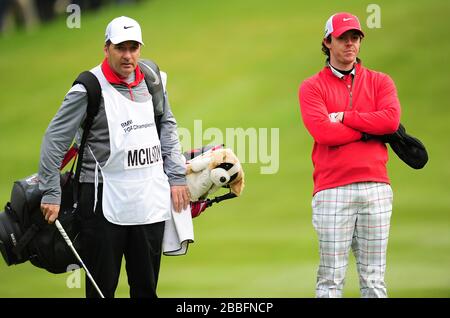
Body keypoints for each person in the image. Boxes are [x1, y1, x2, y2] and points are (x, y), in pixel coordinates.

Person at [38, 16, 190, 298]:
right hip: (101, 205)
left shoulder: (152, 79)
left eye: (134, 47)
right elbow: (55, 139)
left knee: (145, 289)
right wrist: (50, 191)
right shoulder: (88, 88)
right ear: (106, 48)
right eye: (121, 48)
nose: (128, 55)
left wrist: (177, 175)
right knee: (101, 291)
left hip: (148, 204)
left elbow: (167, 124)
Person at [298, 12, 401, 298]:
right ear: (328, 42)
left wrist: (344, 117)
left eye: (354, 38)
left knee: (374, 280)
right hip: (332, 189)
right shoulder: (312, 87)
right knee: (330, 280)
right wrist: (371, 129)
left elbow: (391, 122)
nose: (350, 44)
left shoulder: (381, 81)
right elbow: (324, 133)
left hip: (376, 187)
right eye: (343, 38)